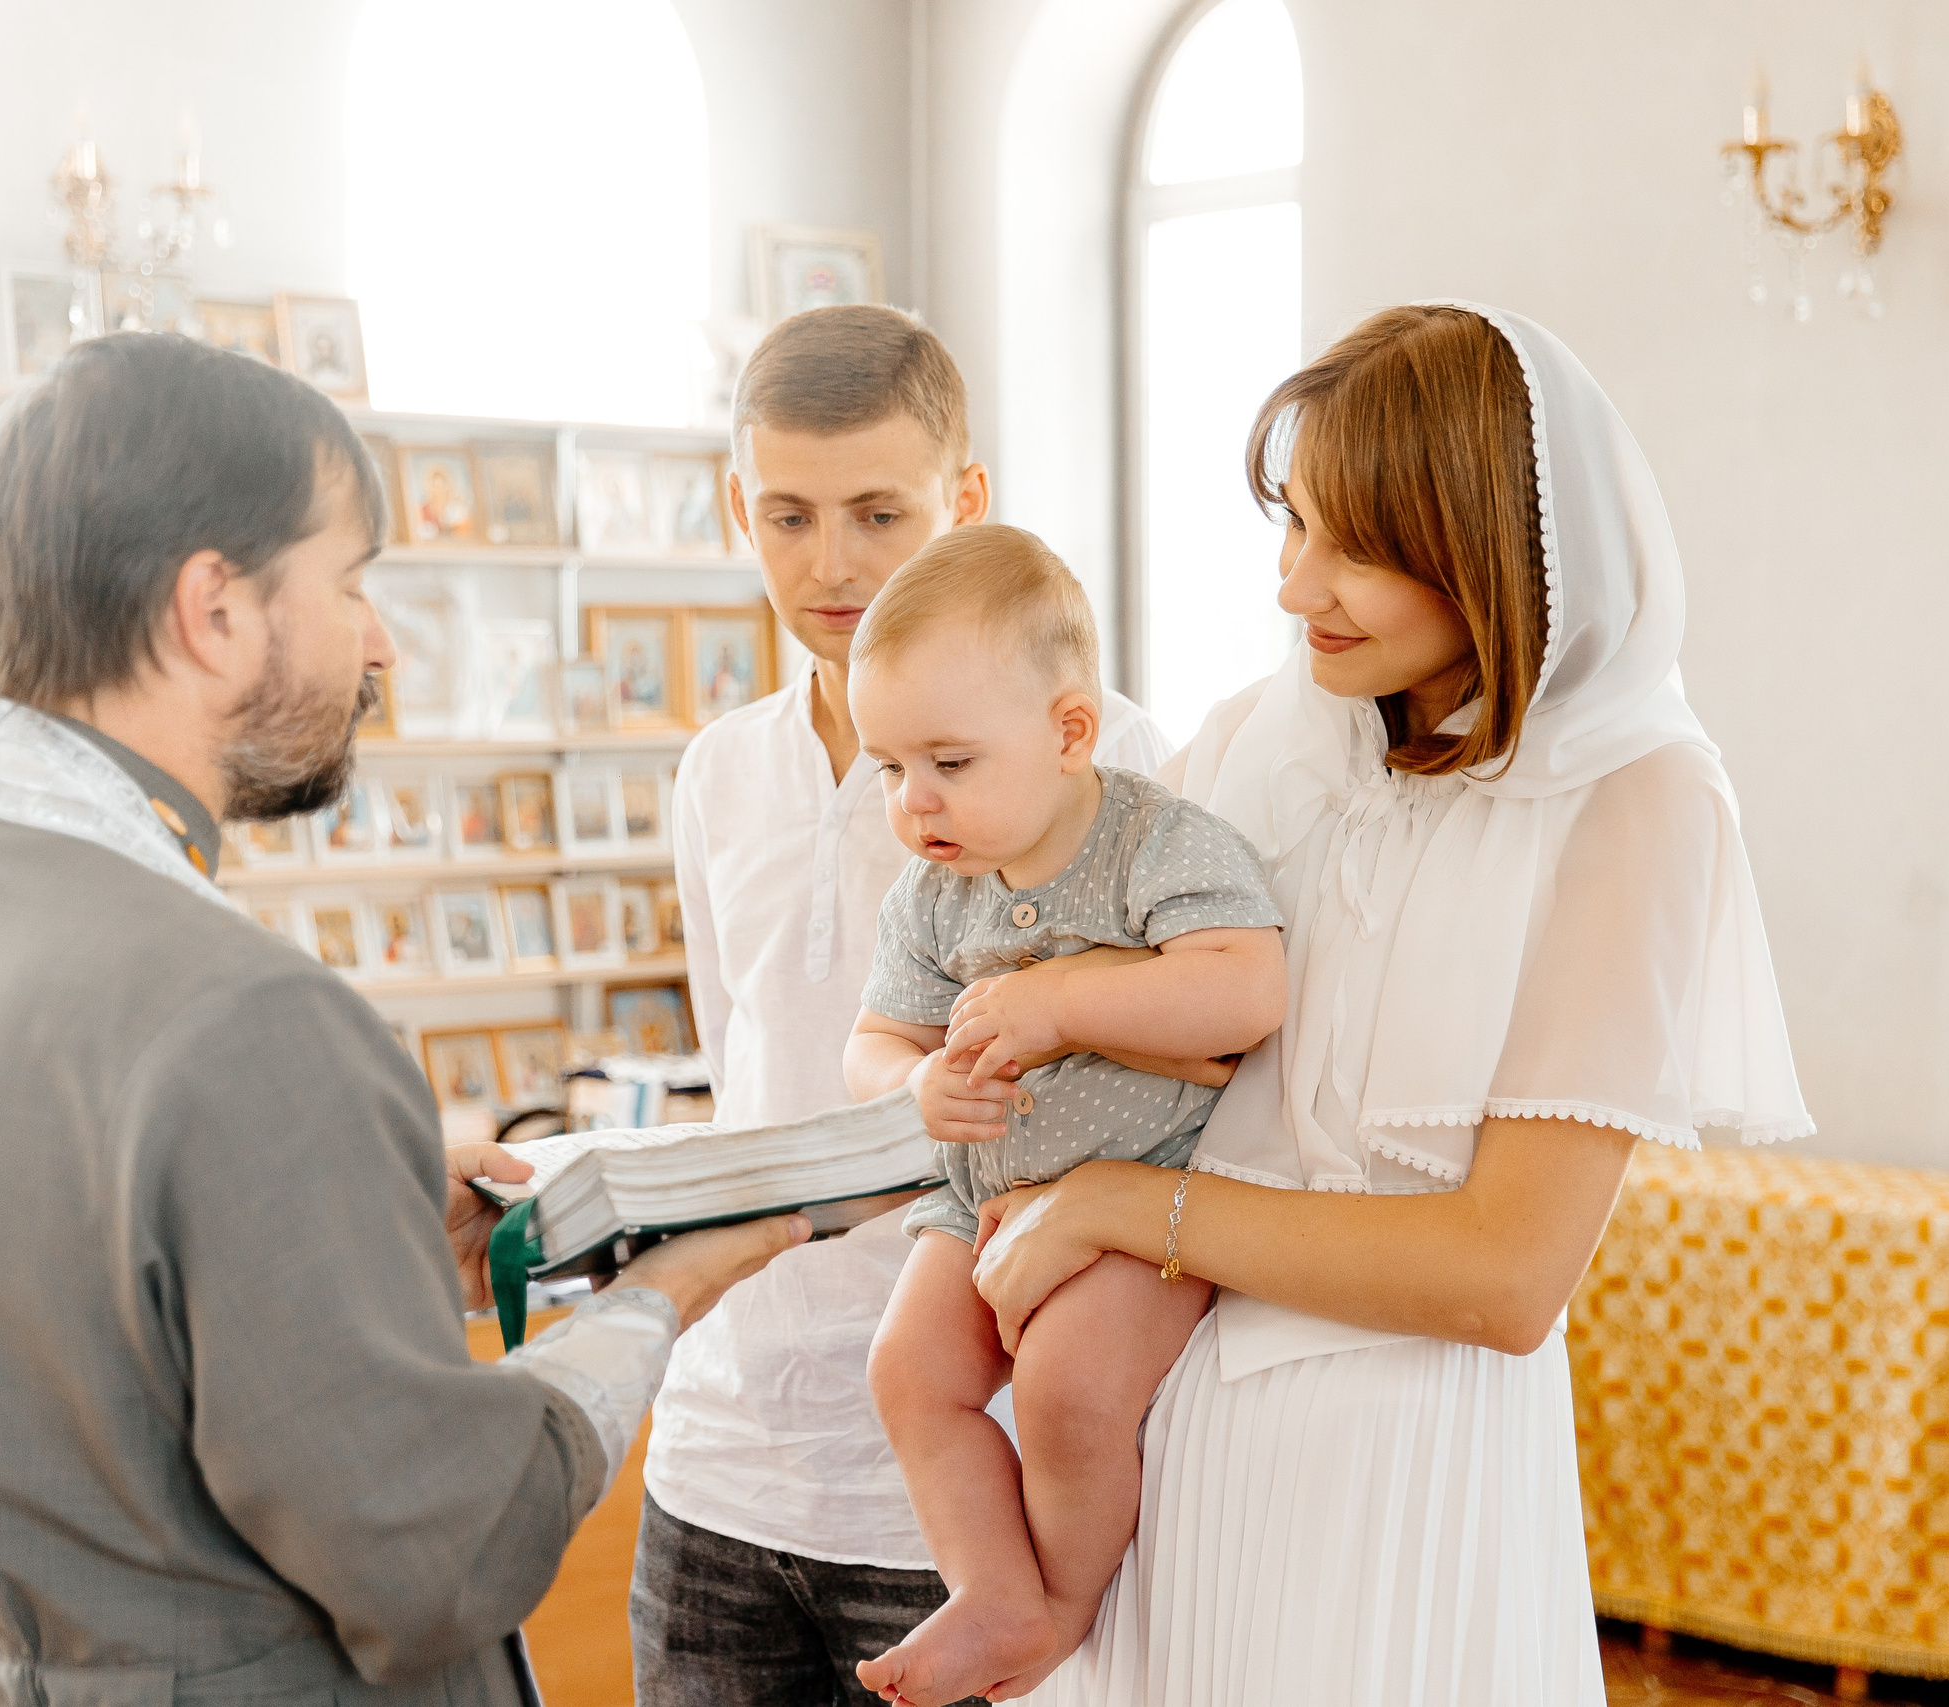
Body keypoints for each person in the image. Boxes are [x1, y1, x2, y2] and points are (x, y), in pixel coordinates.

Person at [0, 332, 805, 1706]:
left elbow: (62, 1345)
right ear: (217, 608)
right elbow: (440, 1546)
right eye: (351, 579)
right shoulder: (249, 1018)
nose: (375, 641)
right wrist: (665, 1293)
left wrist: (349, 1226)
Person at [963, 304, 1815, 1705]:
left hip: (1406, 1463)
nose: (1300, 589)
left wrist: (1126, 1205)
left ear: (1484, 540)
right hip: (1173, 1433)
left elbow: (1504, 1273)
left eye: (1353, 545)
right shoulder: (1254, 736)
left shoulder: (1639, 794)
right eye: (1291, 527)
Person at [639, 305, 1178, 1705]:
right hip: (720, 1465)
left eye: (881, 511)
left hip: (968, 1482)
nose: (833, 563)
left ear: (967, 501)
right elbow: (740, 1077)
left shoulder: (1100, 751)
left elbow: (1166, 1092)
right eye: (789, 515)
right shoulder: (716, 771)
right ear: (735, 506)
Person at [840, 527, 1284, 1705]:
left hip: (1139, 1206)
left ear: (1069, 733)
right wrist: (911, 1088)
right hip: (977, 1198)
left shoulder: (1153, 840)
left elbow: (1247, 985)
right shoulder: (932, 896)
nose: (912, 802)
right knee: (906, 1370)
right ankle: (997, 1595)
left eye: (946, 762)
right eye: (888, 769)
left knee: (1068, 1387)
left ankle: (1067, 1607)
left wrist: (1058, 1002)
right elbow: (877, 1040)